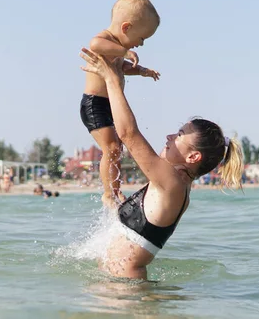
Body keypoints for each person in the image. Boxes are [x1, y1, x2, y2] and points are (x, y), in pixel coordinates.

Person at [79, 48, 244, 279]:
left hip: (127, 292)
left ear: (193, 157)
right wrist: (111, 197)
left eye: (179, 135)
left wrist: (112, 80)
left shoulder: (172, 183)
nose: (169, 137)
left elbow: (128, 133)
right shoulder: (171, 185)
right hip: (121, 288)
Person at [81, 0, 161, 206]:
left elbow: (120, 67)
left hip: (108, 105)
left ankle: (115, 191)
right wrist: (125, 51)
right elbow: (95, 44)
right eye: (141, 38)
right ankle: (109, 194)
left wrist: (141, 71)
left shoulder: (116, 49)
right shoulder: (105, 39)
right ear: (126, 28)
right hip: (94, 104)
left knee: (117, 148)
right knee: (111, 148)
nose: (141, 44)